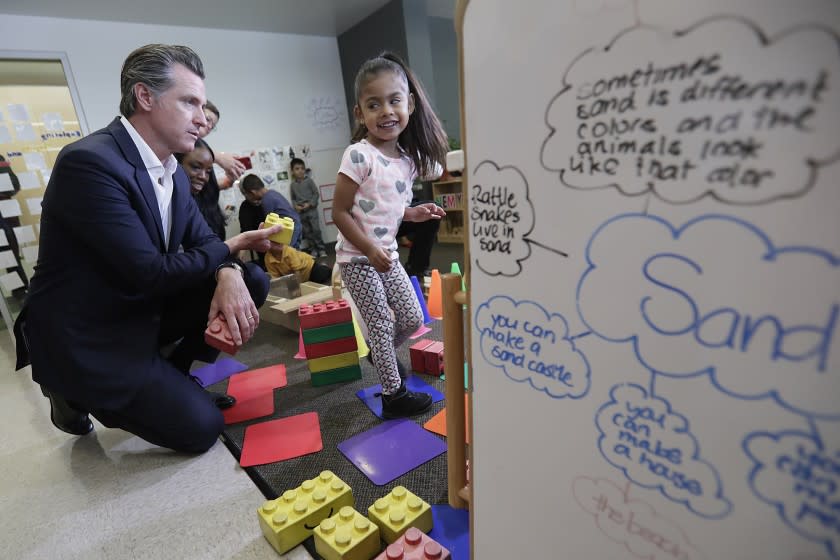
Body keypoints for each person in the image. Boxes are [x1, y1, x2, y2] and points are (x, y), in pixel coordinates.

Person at [12, 44, 283, 454]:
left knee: (252, 278)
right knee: (201, 429)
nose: (201, 119)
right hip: (91, 334)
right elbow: (150, 271)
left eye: (202, 104)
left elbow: (204, 241)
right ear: (145, 97)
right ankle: (72, 392)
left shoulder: (171, 171)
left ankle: (169, 374)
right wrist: (231, 248)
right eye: (189, 102)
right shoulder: (88, 162)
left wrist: (229, 270)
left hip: (139, 307)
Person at [332, 51, 448, 419]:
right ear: (359, 113)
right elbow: (340, 212)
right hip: (357, 259)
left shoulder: (406, 161)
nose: (386, 111)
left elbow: (387, 207)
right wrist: (367, 248)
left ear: (410, 104)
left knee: (414, 319)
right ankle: (393, 393)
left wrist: (414, 213)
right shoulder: (358, 155)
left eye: (394, 100)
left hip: (387, 255)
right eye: (373, 104)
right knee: (381, 320)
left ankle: (380, 354)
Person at [238, 173, 302, 266]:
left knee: (288, 255)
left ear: (253, 192)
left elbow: (270, 225)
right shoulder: (273, 193)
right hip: (296, 224)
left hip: (290, 230)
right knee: (294, 253)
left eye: (248, 195)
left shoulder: (266, 201)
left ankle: (298, 274)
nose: (249, 198)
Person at [176, 138, 226, 240]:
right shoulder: (167, 204)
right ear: (175, 164)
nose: (203, 176)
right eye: (196, 167)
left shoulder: (206, 204)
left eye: (208, 171)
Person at [200, 100, 246, 187]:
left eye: (213, 126)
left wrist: (229, 180)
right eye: (207, 119)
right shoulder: (185, 145)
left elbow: (209, 188)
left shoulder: (204, 146)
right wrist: (219, 157)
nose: (209, 126)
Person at [289, 157, 326, 258]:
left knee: (316, 230)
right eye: (297, 169)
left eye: (302, 168)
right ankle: (313, 249)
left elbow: (316, 194)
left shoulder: (309, 181)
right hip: (301, 213)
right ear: (292, 171)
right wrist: (296, 206)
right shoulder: (293, 185)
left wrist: (309, 204)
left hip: (311, 210)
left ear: (304, 170)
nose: (300, 171)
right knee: (307, 232)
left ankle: (321, 249)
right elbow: (293, 198)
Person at [264, 242, 332, 285]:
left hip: (309, 268)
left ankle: (325, 267)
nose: (278, 242)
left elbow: (297, 271)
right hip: (293, 276)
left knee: (322, 277)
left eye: (280, 240)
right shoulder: (268, 258)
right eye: (273, 242)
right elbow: (275, 278)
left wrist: (300, 287)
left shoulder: (289, 251)